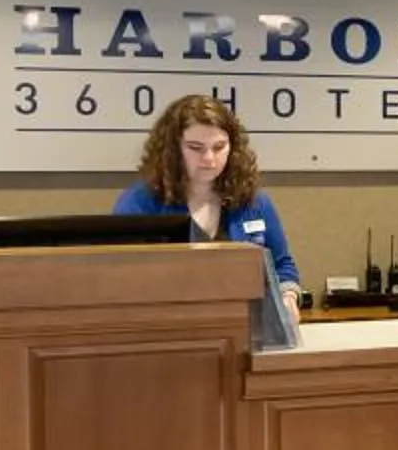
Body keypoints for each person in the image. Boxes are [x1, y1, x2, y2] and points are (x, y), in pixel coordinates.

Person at [114, 95, 299, 307]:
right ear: (172, 150)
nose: (209, 158)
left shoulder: (252, 200)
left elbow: (281, 264)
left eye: (219, 147)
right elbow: (120, 275)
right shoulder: (140, 202)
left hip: (244, 324)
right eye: (195, 148)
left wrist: (288, 297)